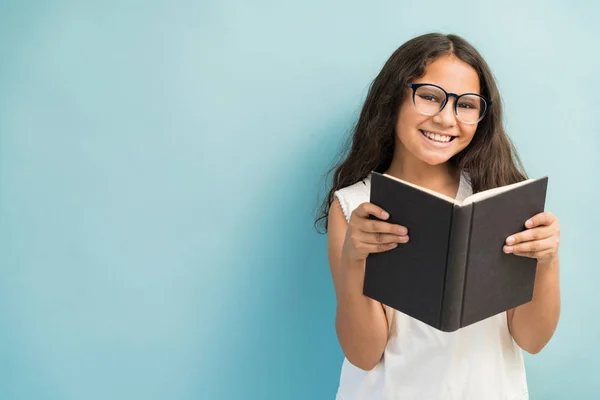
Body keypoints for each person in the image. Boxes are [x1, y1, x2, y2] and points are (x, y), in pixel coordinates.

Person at [314, 33, 561, 399]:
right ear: (393, 99)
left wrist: (548, 262)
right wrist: (354, 259)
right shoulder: (355, 206)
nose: (446, 119)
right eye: (429, 97)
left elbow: (532, 339)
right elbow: (364, 355)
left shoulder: (501, 197)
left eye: (466, 105)